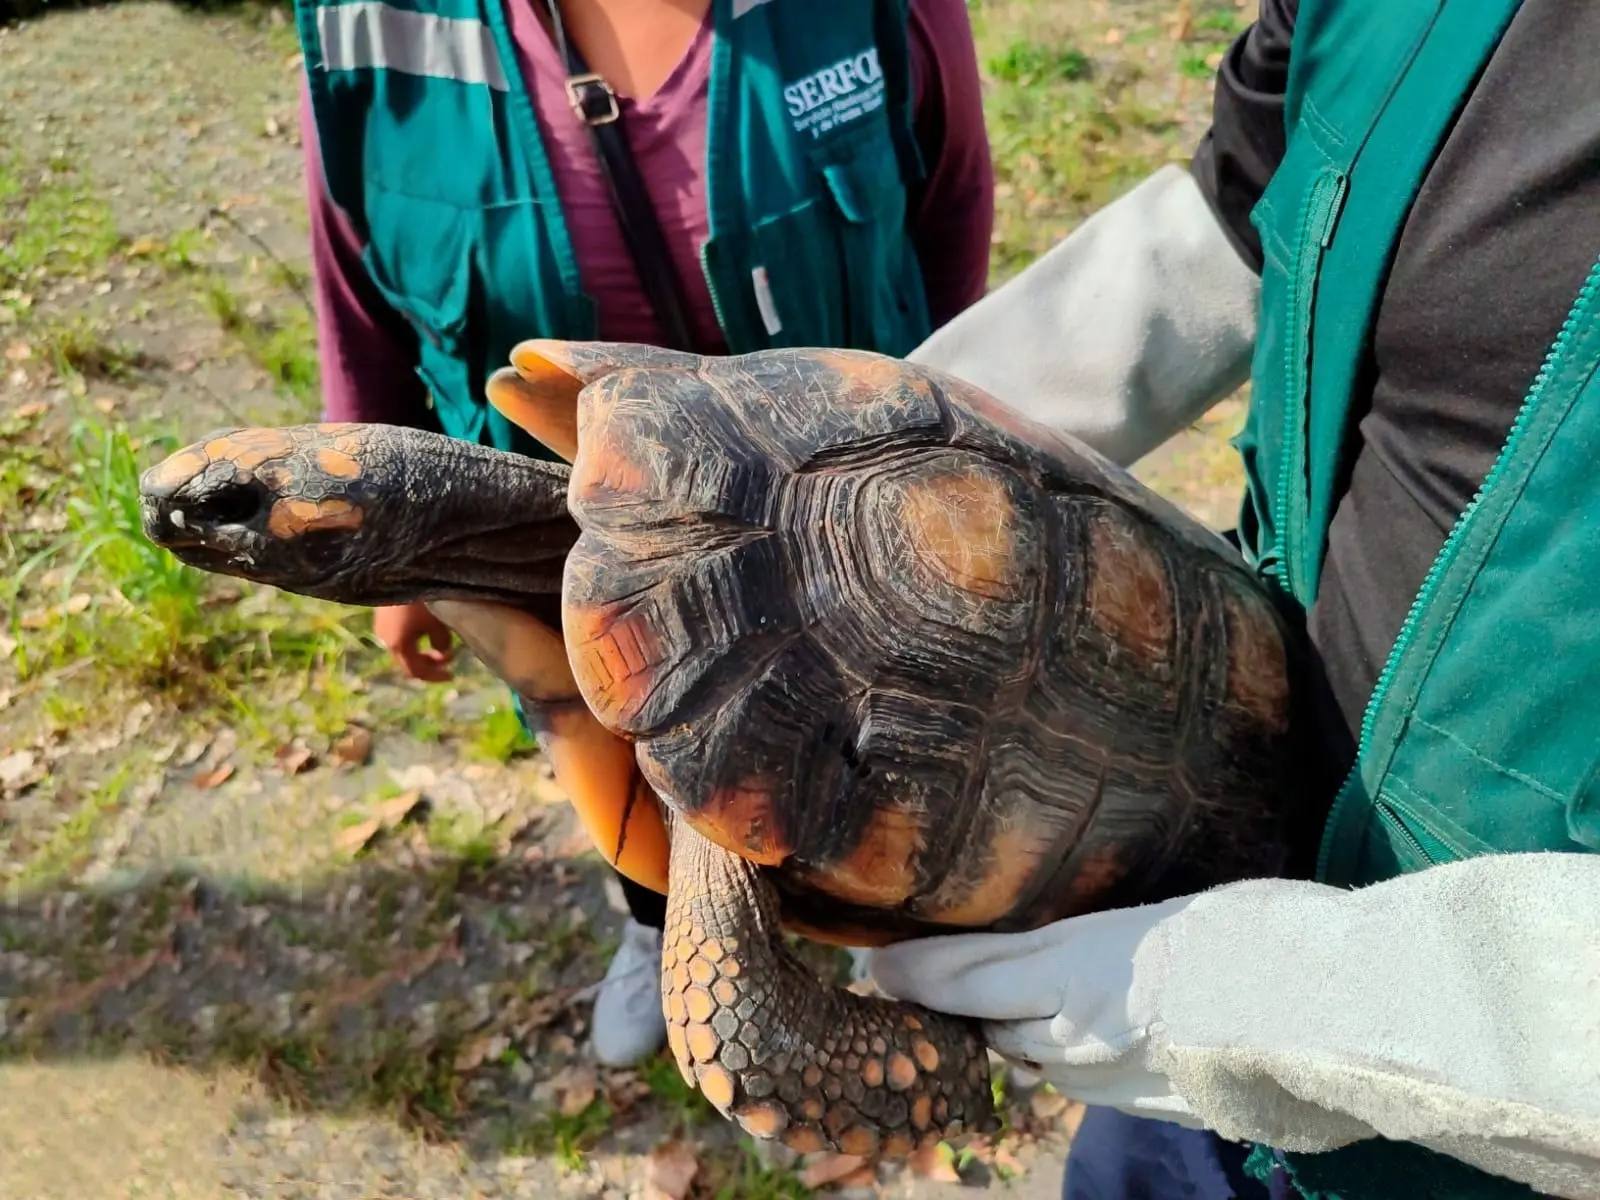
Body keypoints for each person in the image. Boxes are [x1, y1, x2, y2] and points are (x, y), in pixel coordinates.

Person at [864, 0, 1600, 1198]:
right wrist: (850, 462)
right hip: (1202, 863)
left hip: (1480, 1120)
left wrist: (1285, 1005)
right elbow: (1244, 194)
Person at [293, 0, 993, 1067]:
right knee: (613, 742)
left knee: (870, 757)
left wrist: (967, 455)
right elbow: (355, 292)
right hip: (560, 540)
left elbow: (947, 208)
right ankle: (658, 918)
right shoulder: (365, 25)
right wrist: (375, 536)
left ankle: (886, 942)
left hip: (848, 537)